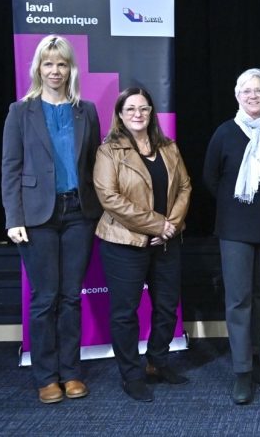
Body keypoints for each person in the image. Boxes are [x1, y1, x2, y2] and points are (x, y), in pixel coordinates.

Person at [1, 35, 102, 404]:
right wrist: (14, 217)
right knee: (45, 298)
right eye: (48, 63)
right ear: (38, 68)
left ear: (70, 68)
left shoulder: (86, 110)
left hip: (80, 213)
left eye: (61, 64)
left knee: (71, 296)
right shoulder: (20, 111)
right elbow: (10, 167)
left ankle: (71, 372)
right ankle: (46, 377)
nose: (55, 70)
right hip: (37, 216)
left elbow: (94, 163)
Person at [93, 87, 192, 402]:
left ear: (152, 112)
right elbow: (110, 198)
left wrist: (170, 227)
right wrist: (156, 224)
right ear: (120, 114)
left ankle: (157, 362)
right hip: (124, 243)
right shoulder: (109, 151)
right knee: (125, 313)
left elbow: (185, 187)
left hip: (166, 242)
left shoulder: (168, 147)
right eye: (131, 109)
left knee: (166, 307)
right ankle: (131, 375)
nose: (138, 114)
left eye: (144, 108)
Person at [203, 68, 260, 404]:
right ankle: (241, 371)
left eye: (259, 91)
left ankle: (255, 357)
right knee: (238, 299)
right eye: (247, 91)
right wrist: (237, 205)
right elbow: (211, 178)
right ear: (237, 96)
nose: (253, 96)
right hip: (234, 228)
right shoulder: (225, 132)